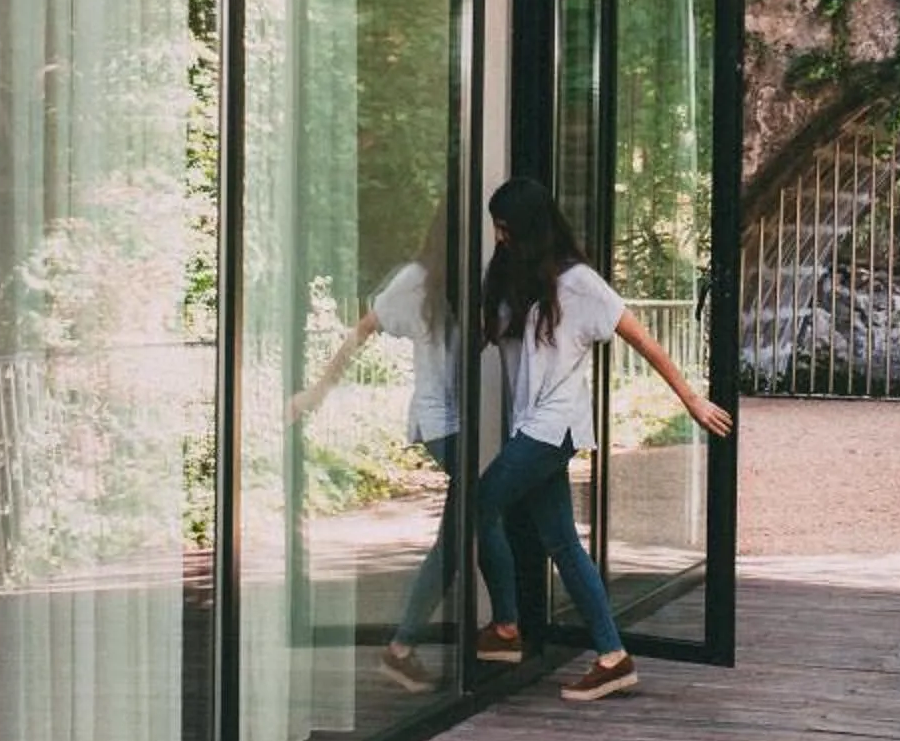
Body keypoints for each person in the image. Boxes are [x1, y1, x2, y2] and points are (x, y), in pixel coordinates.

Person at [473, 175, 733, 703]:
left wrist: (691, 399)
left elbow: (644, 341)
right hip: (532, 425)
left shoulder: (580, 284)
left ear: (527, 227)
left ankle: (505, 627)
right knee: (563, 544)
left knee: (480, 504)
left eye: (504, 227)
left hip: (553, 427)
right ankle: (613, 657)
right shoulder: (514, 276)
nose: (499, 236)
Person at [290, 205, 461, 692]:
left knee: (466, 529)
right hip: (440, 421)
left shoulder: (472, 279)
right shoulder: (416, 280)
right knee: (477, 524)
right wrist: (318, 391)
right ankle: (490, 633)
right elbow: (364, 328)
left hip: (462, 420)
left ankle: (405, 648)